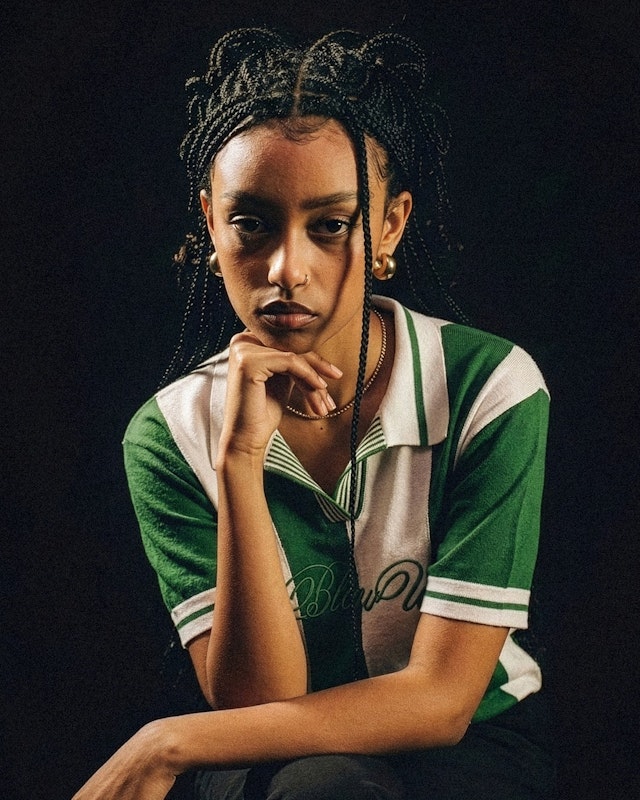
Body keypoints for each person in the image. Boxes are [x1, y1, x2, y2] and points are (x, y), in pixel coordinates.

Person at [73, 27, 555, 800]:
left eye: (330, 225)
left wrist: (164, 743)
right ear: (210, 223)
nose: (286, 269)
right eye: (252, 222)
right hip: (258, 747)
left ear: (389, 226)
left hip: (469, 742)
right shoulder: (169, 433)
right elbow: (256, 701)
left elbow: (441, 699)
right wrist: (239, 463)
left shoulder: (487, 387)